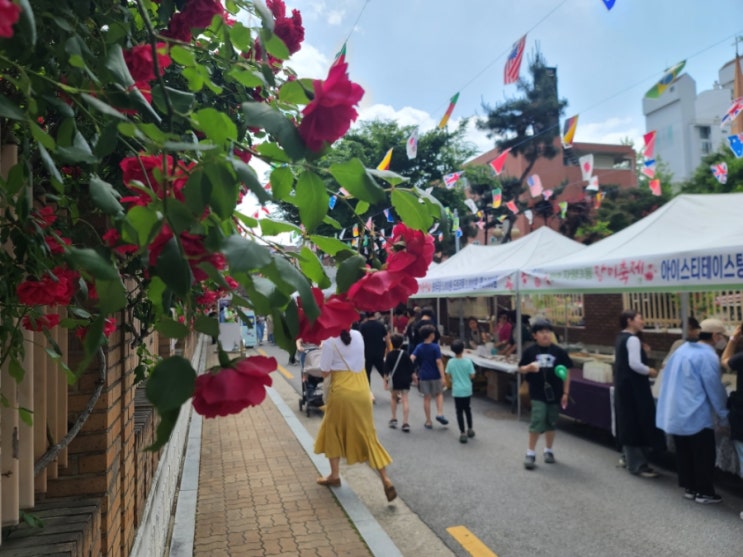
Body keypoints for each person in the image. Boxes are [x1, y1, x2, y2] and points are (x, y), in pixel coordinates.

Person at [313, 329, 398, 502]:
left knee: (332, 431)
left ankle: (334, 475)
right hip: (362, 390)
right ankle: (385, 479)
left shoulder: (329, 342)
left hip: (341, 392)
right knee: (368, 435)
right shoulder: (358, 335)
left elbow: (324, 371)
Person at [656, 318, 730, 503]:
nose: (723, 341)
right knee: (703, 454)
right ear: (715, 336)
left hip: (676, 410)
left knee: (684, 452)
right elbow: (714, 388)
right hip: (696, 412)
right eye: (722, 337)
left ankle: (690, 487)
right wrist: (723, 414)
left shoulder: (682, 350)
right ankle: (704, 492)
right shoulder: (707, 356)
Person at [518, 319, 573, 469]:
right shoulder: (530, 351)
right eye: (541, 332)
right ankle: (530, 453)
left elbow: (567, 372)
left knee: (551, 421)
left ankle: (548, 450)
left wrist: (566, 392)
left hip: (555, 392)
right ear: (535, 335)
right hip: (537, 392)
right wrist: (528, 368)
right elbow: (520, 368)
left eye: (548, 331)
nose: (545, 335)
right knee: (538, 419)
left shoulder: (559, 352)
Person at [613, 310, 659, 478]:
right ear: (629, 320)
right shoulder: (632, 339)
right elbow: (634, 364)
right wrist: (649, 370)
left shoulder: (621, 337)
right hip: (634, 388)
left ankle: (627, 458)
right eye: (640, 318)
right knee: (637, 422)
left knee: (627, 421)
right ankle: (638, 464)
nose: (642, 321)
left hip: (623, 387)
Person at [410, 324, 449, 429]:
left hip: (423, 375)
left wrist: (412, 372)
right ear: (431, 335)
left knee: (426, 398)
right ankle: (440, 413)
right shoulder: (435, 347)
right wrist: (443, 377)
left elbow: (411, 358)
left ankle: (428, 421)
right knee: (439, 394)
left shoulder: (419, 347)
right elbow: (439, 362)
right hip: (435, 375)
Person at [445, 339, 476, 443]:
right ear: (463, 350)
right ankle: (470, 429)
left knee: (459, 411)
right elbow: (472, 375)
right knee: (468, 409)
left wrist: (453, 380)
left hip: (457, 390)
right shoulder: (468, 361)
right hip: (467, 389)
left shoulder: (450, 362)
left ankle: (462, 433)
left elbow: (448, 375)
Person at [384, 333, 416, 433]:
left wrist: (385, 382)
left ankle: (394, 418)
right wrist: (414, 378)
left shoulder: (389, 355)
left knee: (394, 398)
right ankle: (405, 422)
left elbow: (386, 370)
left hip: (395, 380)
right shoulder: (405, 354)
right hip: (405, 379)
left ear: (391, 343)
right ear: (401, 343)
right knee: (405, 400)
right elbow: (411, 368)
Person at [359, 312, 389, 393]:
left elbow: (360, 339)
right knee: (383, 372)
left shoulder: (363, 326)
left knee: (367, 374)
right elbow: (387, 338)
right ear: (374, 315)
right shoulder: (381, 325)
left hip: (367, 353)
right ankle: (394, 391)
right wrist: (389, 349)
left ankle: (368, 393)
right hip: (379, 352)